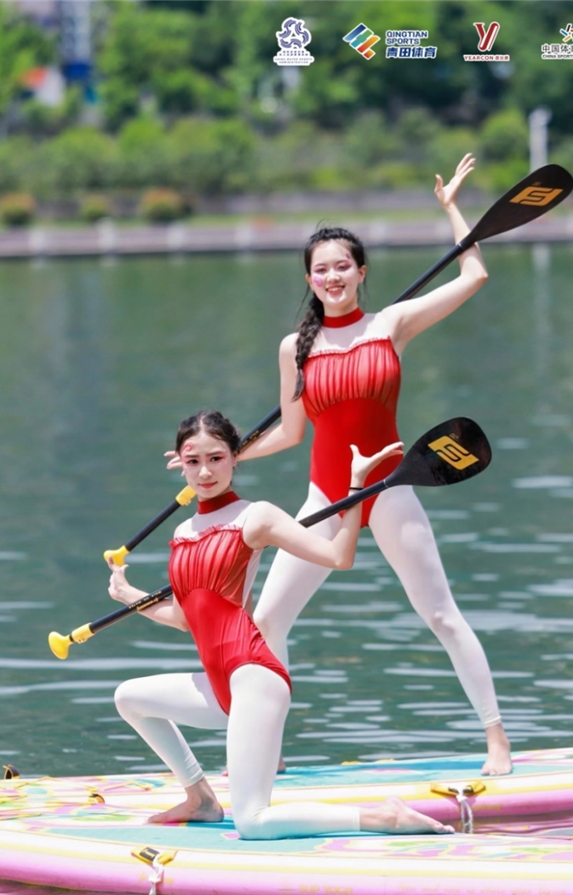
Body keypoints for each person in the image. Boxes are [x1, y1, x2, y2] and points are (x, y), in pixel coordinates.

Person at [197, 155, 511, 775]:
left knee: (440, 614)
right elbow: (291, 432)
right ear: (310, 280)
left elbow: (474, 274)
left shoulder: (390, 324)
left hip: (390, 490)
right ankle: (264, 755)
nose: (333, 276)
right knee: (264, 622)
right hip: (325, 498)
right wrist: (223, 458)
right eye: (321, 269)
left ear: (361, 272)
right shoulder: (295, 349)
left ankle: (496, 739)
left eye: (343, 266)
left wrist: (451, 208)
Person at [110, 410, 453, 838]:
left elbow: (338, 557)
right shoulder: (182, 533)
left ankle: (384, 817)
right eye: (194, 461)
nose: (205, 472)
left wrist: (355, 486)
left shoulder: (257, 517)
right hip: (219, 685)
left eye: (216, 458)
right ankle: (200, 799)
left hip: (254, 677)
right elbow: (183, 619)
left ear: (235, 457)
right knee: (129, 698)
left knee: (252, 822)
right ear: (180, 463)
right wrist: (130, 596)